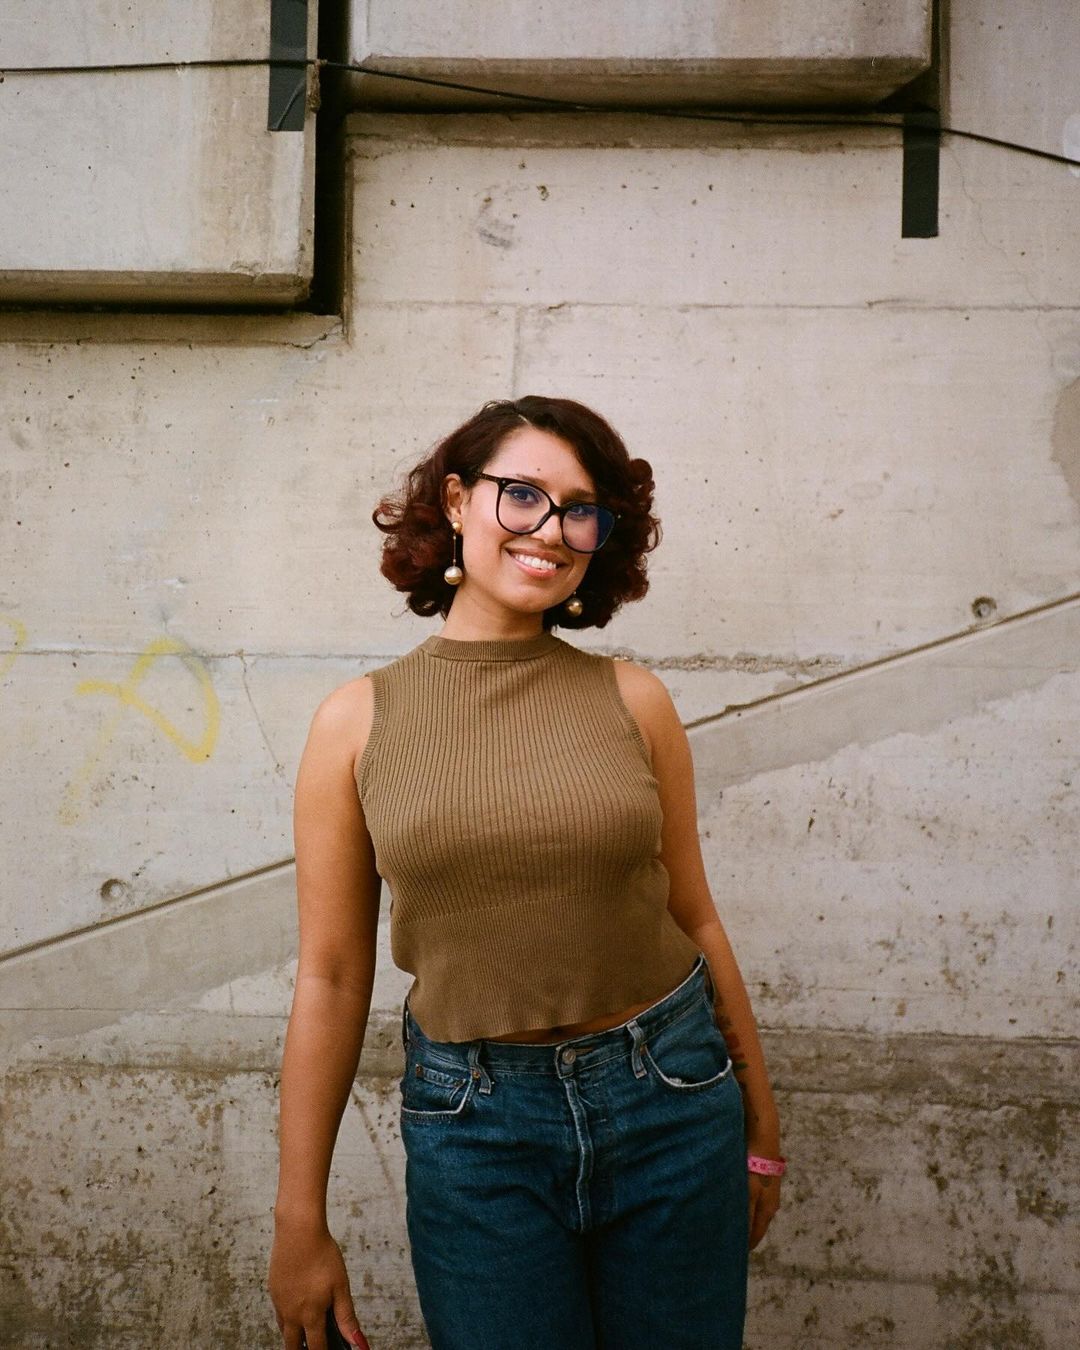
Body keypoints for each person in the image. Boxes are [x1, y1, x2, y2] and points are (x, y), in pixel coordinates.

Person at [268, 396, 783, 1350]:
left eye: (580, 509)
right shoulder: (356, 722)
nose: (550, 529)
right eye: (523, 495)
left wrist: (761, 1124)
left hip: (671, 1100)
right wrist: (299, 1219)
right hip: (476, 1128)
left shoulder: (635, 700)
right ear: (456, 501)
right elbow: (331, 977)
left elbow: (697, 919)